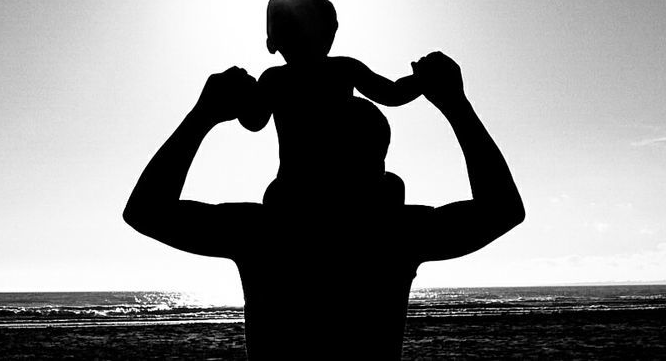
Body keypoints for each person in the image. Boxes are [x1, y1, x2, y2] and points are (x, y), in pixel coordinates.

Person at [123, 52, 524, 359]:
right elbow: (503, 209)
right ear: (379, 166)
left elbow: (146, 210)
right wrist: (455, 105)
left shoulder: (263, 233)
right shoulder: (396, 233)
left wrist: (202, 116)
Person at [238, 0, 424, 205]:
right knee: (392, 184)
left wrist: (421, 80)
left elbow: (253, 120)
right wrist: (422, 80)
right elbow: (392, 93)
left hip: (337, 183)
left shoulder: (282, 77)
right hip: (302, 186)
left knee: (392, 184)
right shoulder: (283, 78)